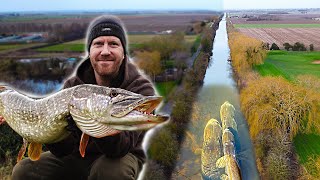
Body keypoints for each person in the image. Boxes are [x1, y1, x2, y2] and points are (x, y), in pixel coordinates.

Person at [9, 15, 155, 180]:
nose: (105, 51)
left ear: (123, 53)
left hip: (121, 157)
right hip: (79, 155)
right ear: (90, 52)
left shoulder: (140, 89)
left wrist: (96, 120)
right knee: (25, 170)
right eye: (98, 44)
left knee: (109, 172)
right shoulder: (73, 86)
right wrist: (62, 129)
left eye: (113, 44)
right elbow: (63, 151)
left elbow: (120, 148)